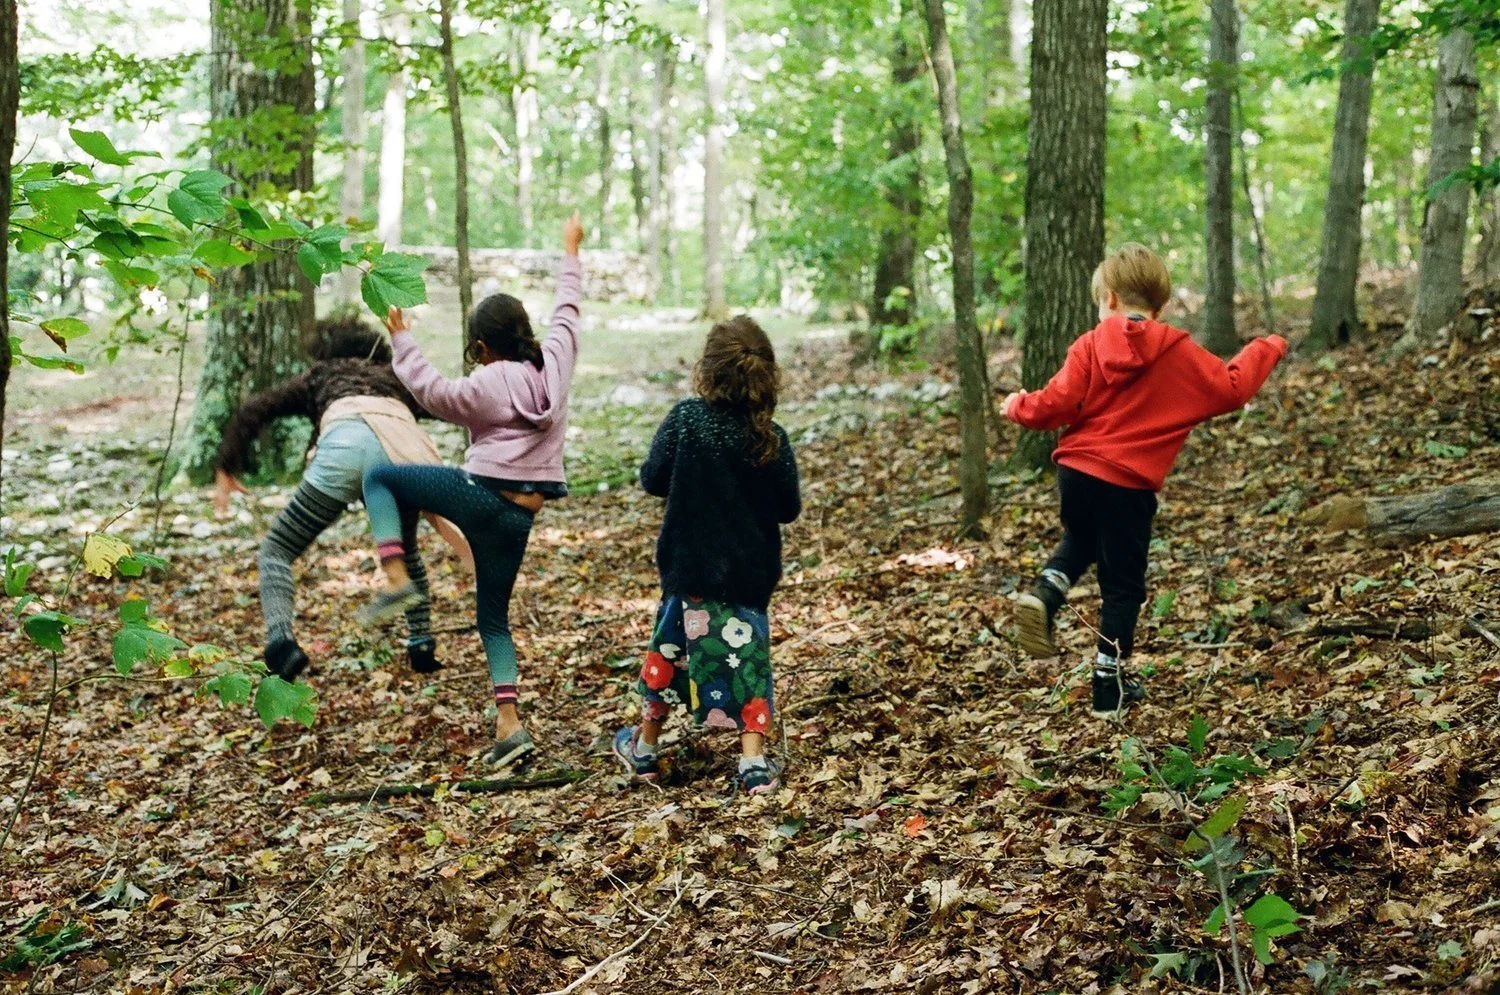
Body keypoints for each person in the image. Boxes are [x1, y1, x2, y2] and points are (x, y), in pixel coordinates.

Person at [1002, 242, 1287, 717]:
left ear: (1110, 298)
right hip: (1128, 485)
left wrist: (1017, 405)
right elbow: (1232, 389)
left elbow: (1056, 403)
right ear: (1160, 307)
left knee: (1082, 539)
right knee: (1122, 587)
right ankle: (1107, 690)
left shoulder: (1090, 344)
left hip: (1075, 472)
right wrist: (1268, 346)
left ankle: (1046, 592)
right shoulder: (1178, 352)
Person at [357, 213, 585, 769]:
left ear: (481, 346)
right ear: (525, 331)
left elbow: (433, 393)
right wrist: (570, 250)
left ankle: (395, 576)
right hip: (520, 519)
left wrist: (402, 338)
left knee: (380, 477)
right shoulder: (556, 360)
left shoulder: (487, 382)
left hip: (479, 495)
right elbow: (568, 310)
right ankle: (511, 726)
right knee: (493, 619)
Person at [212, 315, 472, 682]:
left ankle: (282, 643)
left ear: (325, 351)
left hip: (343, 449)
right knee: (407, 551)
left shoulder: (320, 375)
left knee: (278, 550)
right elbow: (454, 407)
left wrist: (226, 465)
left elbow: (256, 407)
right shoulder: (396, 378)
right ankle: (422, 644)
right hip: (404, 450)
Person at [611, 316, 802, 796]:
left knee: (667, 655)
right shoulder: (770, 437)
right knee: (751, 663)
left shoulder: (686, 420)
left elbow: (652, 478)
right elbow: (789, 508)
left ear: (709, 370)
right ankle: (753, 763)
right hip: (748, 577)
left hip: (689, 569)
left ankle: (646, 750)